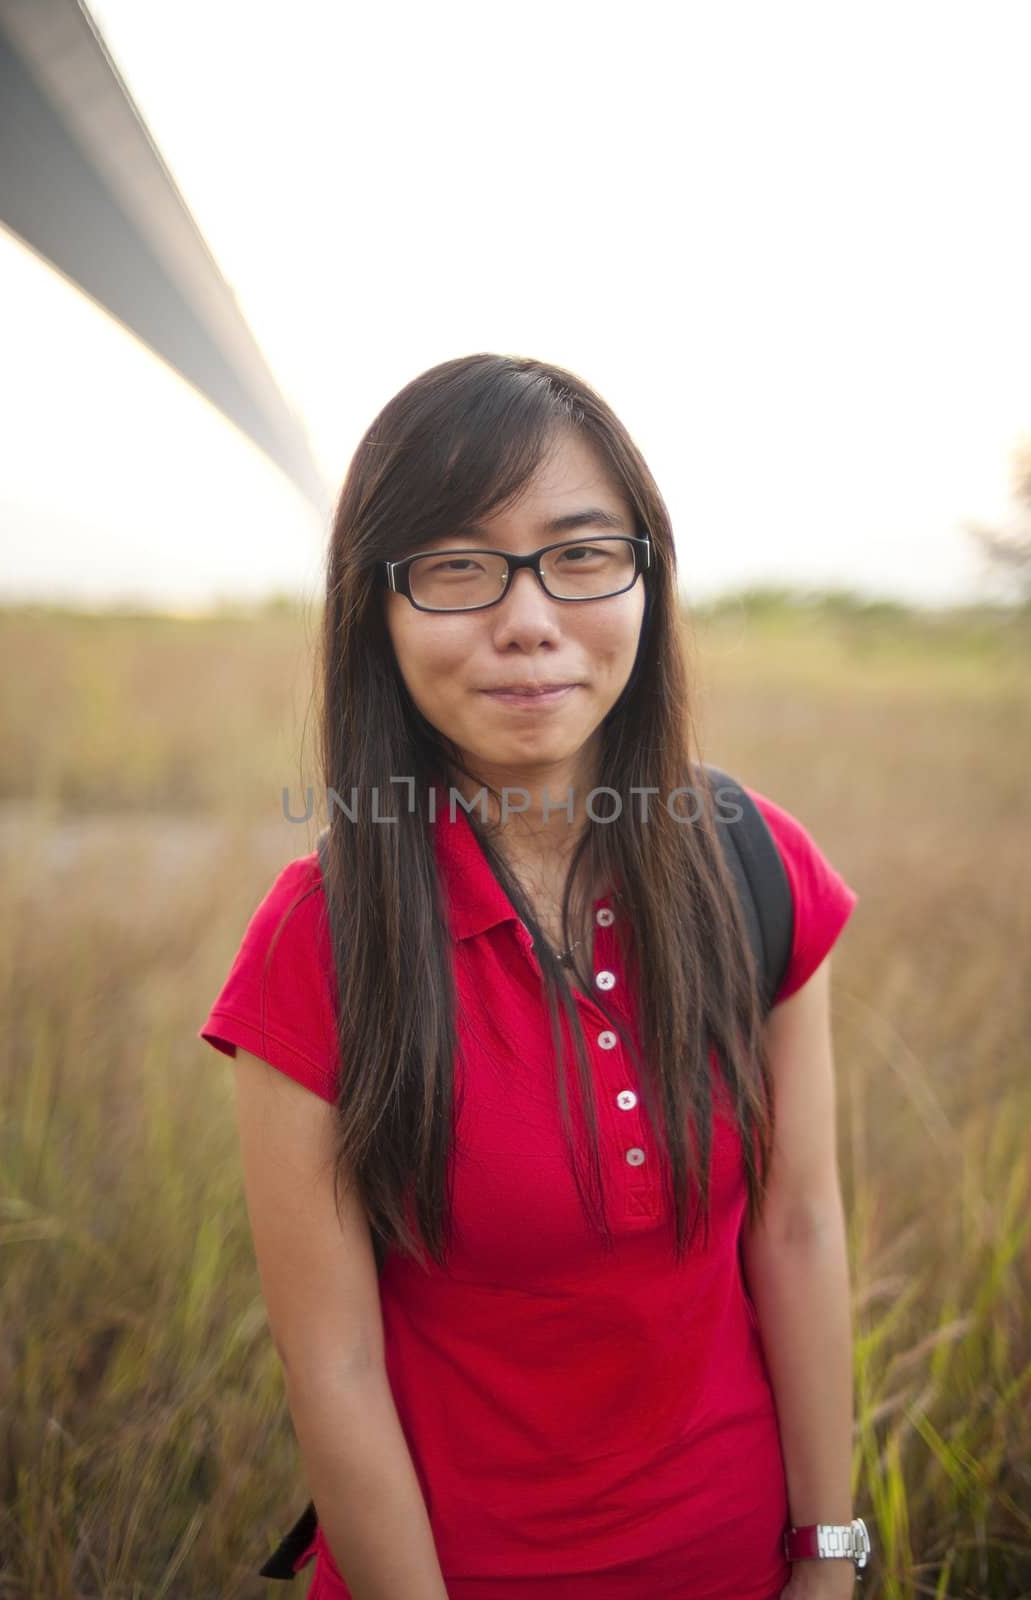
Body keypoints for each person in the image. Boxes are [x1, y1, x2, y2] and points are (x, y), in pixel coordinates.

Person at [198, 354, 864, 1600]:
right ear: (377, 610)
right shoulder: (323, 939)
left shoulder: (756, 865)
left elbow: (801, 1223)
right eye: (456, 566)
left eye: (579, 553)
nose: (528, 618)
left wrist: (830, 1560)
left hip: (744, 1558)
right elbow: (333, 1366)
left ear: (646, 577)